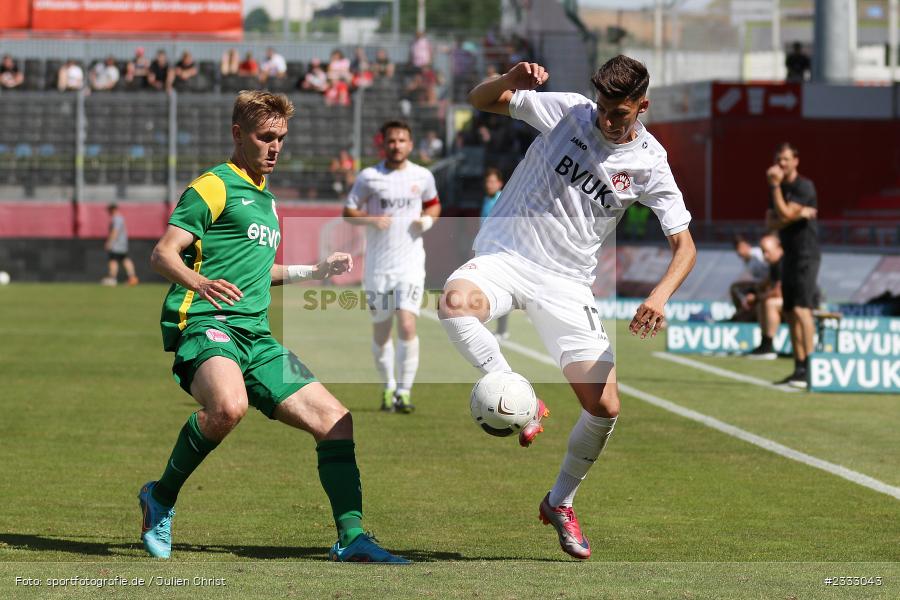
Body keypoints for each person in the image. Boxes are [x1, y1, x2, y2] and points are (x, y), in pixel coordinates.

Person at [438, 56, 696, 560]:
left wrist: (659, 296)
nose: (606, 120)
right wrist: (509, 81)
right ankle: (518, 393)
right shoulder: (569, 112)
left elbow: (684, 246)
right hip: (507, 257)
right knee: (454, 302)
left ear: (642, 107)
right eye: (602, 108)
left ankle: (560, 501)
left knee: (605, 407)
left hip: (567, 284)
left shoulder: (650, 162)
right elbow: (479, 100)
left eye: (619, 113)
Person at [139, 90, 407, 563]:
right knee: (229, 407)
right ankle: (160, 497)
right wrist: (199, 282)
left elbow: (259, 272)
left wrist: (314, 271)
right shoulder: (213, 186)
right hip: (207, 323)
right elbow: (163, 254)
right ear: (238, 134)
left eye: (281, 138)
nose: (275, 147)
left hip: (256, 337)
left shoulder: (266, 200)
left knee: (336, 421)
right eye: (265, 137)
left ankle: (352, 538)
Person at [342, 120, 441, 413]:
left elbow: (434, 204)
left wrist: (427, 221)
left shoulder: (423, 176)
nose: (397, 145)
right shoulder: (369, 177)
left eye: (402, 140)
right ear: (383, 144)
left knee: (407, 324)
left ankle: (404, 392)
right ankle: (388, 387)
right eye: (392, 141)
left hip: (410, 265)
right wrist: (370, 219)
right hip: (377, 268)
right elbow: (348, 211)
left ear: (410, 144)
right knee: (382, 331)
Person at [765, 142, 819, 388]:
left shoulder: (803, 186)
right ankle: (799, 369)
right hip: (788, 255)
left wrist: (777, 191)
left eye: (786, 159)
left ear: (796, 160)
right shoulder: (777, 188)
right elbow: (771, 222)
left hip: (806, 255)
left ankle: (812, 367)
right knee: (789, 311)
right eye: (779, 159)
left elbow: (783, 215)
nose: (781, 163)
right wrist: (797, 214)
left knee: (801, 310)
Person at [479, 168, 509, 340]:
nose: (489, 185)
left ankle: (502, 330)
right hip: (485, 250)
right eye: (487, 181)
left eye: (492, 181)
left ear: (500, 183)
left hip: (497, 252)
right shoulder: (486, 199)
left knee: (500, 290)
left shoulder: (502, 200)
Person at [746, 234, 783, 360]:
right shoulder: (774, 264)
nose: (764, 256)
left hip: (801, 303)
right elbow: (766, 283)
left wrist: (757, 297)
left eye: (767, 251)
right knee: (763, 303)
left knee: (769, 303)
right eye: (762, 252)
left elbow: (778, 292)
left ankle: (768, 346)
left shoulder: (783, 262)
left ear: (778, 249)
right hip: (788, 301)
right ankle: (764, 343)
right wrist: (752, 290)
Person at [729, 234, 770, 322]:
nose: (739, 252)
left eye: (741, 248)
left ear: (747, 245)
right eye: (737, 249)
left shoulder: (758, 254)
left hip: (766, 284)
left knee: (736, 288)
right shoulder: (747, 260)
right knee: (736, 288)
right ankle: (743, 310)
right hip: (759, 284)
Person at [102, 203, 139, 286]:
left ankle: (112, 278)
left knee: (113, 260)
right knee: (125, 259)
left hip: (116, 244)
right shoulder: (120, 218)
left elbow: (115, 231)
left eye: (109, 210)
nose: (109, 213)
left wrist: (110, 242)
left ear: (113, 209)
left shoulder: (116, 219)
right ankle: (132, 277)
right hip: (122, 244)